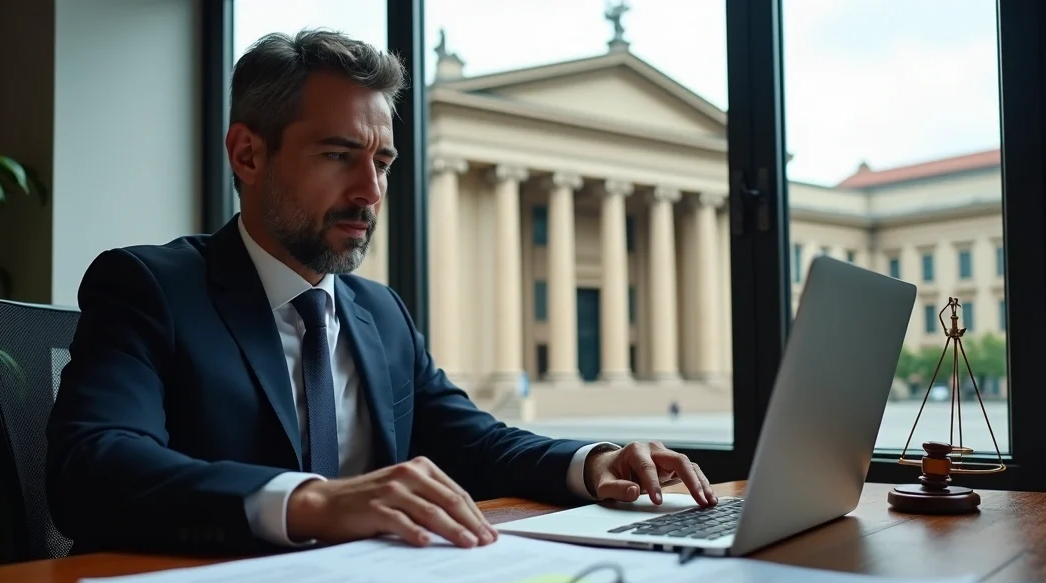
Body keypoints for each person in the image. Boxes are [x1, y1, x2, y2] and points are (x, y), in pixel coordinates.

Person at [45, 28, 716, 556]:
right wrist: (308, 501)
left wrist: (593, 462)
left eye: (384, 161)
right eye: (340, 155)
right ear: (247, 155)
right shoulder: (151, 288)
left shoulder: (379, 313)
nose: (370, 192)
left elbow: (475, 443)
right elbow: (94, 467)